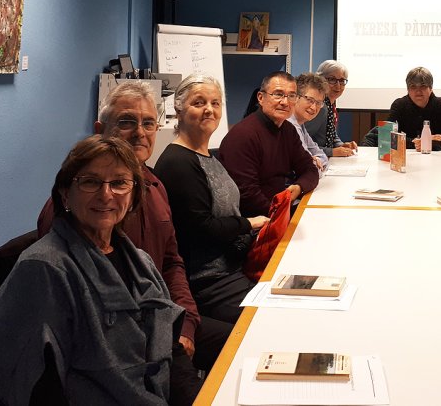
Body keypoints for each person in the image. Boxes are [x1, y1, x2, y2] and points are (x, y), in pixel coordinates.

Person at [36, 81, 224, 400]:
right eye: (126, 122)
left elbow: (171, 263)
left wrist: (187, 323)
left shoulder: (155, 186)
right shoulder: (82, 206)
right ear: (100, 129)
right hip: (121, 345)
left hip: (163, 317)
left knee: (243, 346)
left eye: (148, 123)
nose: (140, 132)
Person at [0, 136, 183, 405]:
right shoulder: (44, 269)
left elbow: (169, 348)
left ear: (133, 196)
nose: (106, 195)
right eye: (91, 182)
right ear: (65, 193)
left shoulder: (140, 262)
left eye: (119, 183)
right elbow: (38, 388)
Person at [154, 74, 269, 325]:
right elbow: (202, 229)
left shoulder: (206, 156)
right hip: (209, 282)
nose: (209, 110)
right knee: (269, 320)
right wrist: (250, 224)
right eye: (199, 103)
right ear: (179, 108)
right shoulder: (178, 163)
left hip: (232, 269)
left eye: (215, 103)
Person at [219, 71, 320, 216]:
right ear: (261, 98)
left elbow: (309, 169)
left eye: (291, 96)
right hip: (256, 221)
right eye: (278, 94)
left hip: (279, 210)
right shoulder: (243, 136)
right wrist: (282, 215)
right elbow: (247, 195)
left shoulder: (288, 130)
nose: (285, 102)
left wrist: (298, 187)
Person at [387, 66, 441, 150]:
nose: (418, 91)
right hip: (407, 158)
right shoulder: (399, 105)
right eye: (413, 87)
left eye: (423, 86)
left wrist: (429, 144)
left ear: (431, 88)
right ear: (408, 89)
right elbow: (389, 137)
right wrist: (422, 141)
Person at [306, 60, 358, 157]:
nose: (338, 86)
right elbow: (302, 142)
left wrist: (341, 145)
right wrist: (331, 151)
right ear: (320, 80)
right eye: (332, 80)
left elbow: (331, 133)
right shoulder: (319, 107)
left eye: (342, 81)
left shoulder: (329, 103)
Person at [288, 73, 329, 177]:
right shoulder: (290, 125)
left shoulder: (300, 124)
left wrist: (316, 160)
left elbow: (322, 156)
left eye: (319, 103)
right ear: (296, 97)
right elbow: (309, 172)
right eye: (310, 100)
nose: (314, 108)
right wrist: (314, 163)